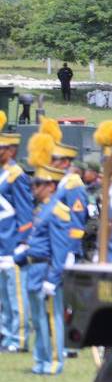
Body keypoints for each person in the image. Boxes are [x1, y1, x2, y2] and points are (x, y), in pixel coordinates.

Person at [15, 165, 72, 375]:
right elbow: (34, 242)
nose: (34, 188)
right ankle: (40, 360)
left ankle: (55, 362)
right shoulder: (40, 209)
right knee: (38, 320)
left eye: (38, 184)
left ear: (51, 186)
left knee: (51, 319)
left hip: (46, 269)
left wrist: (53, 278)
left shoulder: (58, 210)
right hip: (33, 268)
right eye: (34, 183)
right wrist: (19, 256)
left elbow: (59, 249)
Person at [0, 132, 33, 351]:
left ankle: (19, 339)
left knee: (16, 296)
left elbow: (25, 210)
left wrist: (24, 241)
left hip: (12, 243)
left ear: (11, 150)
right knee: (3, 296)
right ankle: (5, 336)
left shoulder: (16, 175)